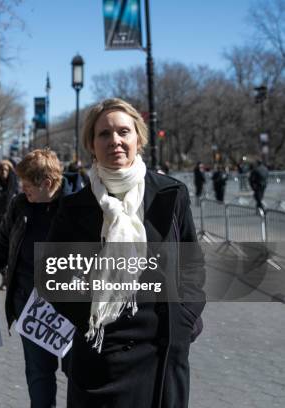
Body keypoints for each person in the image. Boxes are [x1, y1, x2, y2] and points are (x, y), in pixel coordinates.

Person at [47, 98, 205, 408]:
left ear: (138, 138)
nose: (115, 141)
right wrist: (91, 322)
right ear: (91, 144)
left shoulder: (171, 195)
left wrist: (184, 321)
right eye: (104, 134)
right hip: (100, 356)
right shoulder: (73, 206)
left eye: (123, 131)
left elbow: (192, 266)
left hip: (161, 353)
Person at [0, 149, 73, 408]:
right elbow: (2, 246)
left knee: (78, 376)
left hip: (72, 310)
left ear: (47, 183)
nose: (22, 189)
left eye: (27, 185)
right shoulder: (20, 205)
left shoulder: (77, 206)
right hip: (31, 306)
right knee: (38, 376)